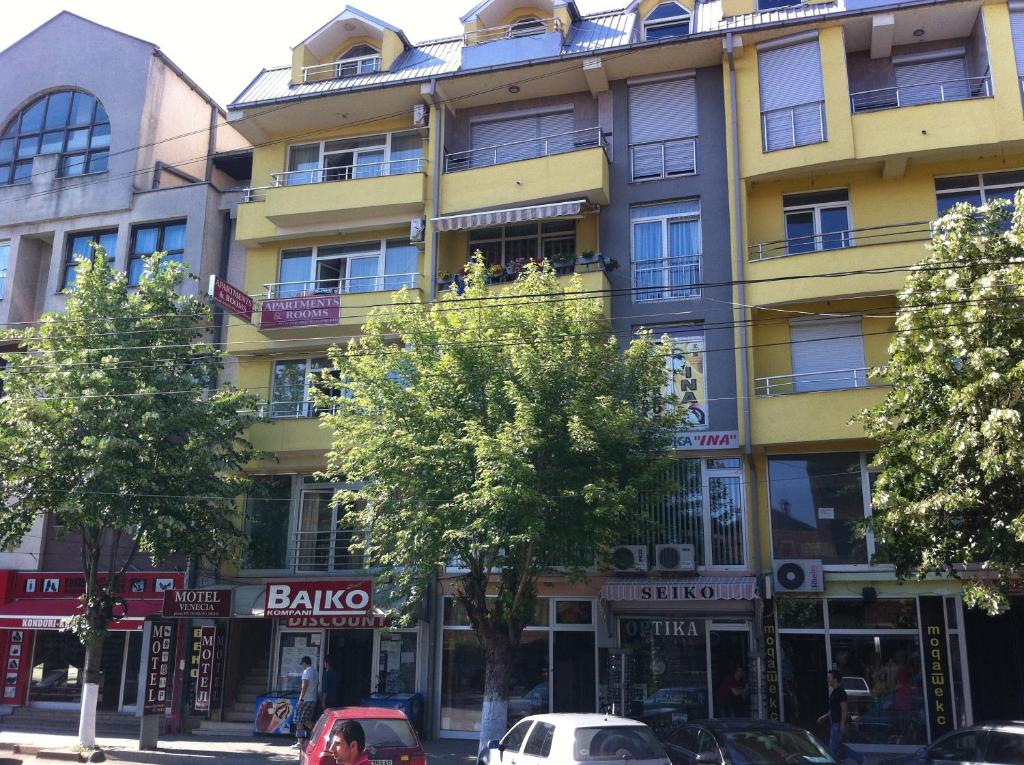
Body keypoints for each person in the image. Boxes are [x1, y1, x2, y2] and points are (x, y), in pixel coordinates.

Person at [817, 670, 863, 764]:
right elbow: (833, 709)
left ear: (835, 679)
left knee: (833, 747)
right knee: (838, 746)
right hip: (835, 723)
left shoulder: (840, 692)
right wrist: (823, 717)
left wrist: (842, 724)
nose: (828, 679)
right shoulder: (834, 693)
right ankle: (859, 758)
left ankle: (832, 762)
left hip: (838, 724)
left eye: (829, 678)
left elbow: (844, 709)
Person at [293, 656, 319, 749]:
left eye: (302, 664)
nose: (302, 666)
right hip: (313, 698)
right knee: (305, 720)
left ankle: (301, 742)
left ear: (305, 663)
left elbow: (305, 685)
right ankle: (317, 733)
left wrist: (301, 698)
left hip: (306, 699)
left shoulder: (306, 672)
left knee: (299, 720)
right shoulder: (315, 672)